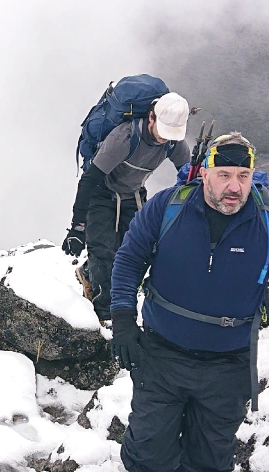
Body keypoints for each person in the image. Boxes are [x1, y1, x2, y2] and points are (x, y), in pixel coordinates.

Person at [108, 133, 269, 472]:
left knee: (209, 461)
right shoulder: (167, 207)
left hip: (228, 364)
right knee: (148, 445)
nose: (234, 186)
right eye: (224, 174)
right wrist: (123, 318)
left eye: (243, 175)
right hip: (161, 355)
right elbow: (128, 260)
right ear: (204, 173)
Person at [68, 92, 194, 321]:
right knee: (105, 255)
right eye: (163, 132)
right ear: (151, 117)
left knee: (135, 254)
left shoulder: (174, 142)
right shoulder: (124, 138)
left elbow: (189, 177)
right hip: (102, 193)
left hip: (133, 193)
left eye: (171, 135)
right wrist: (78, 227)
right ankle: (106, 319)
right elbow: (89, 180)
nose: (165, 139)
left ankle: (88, 272)